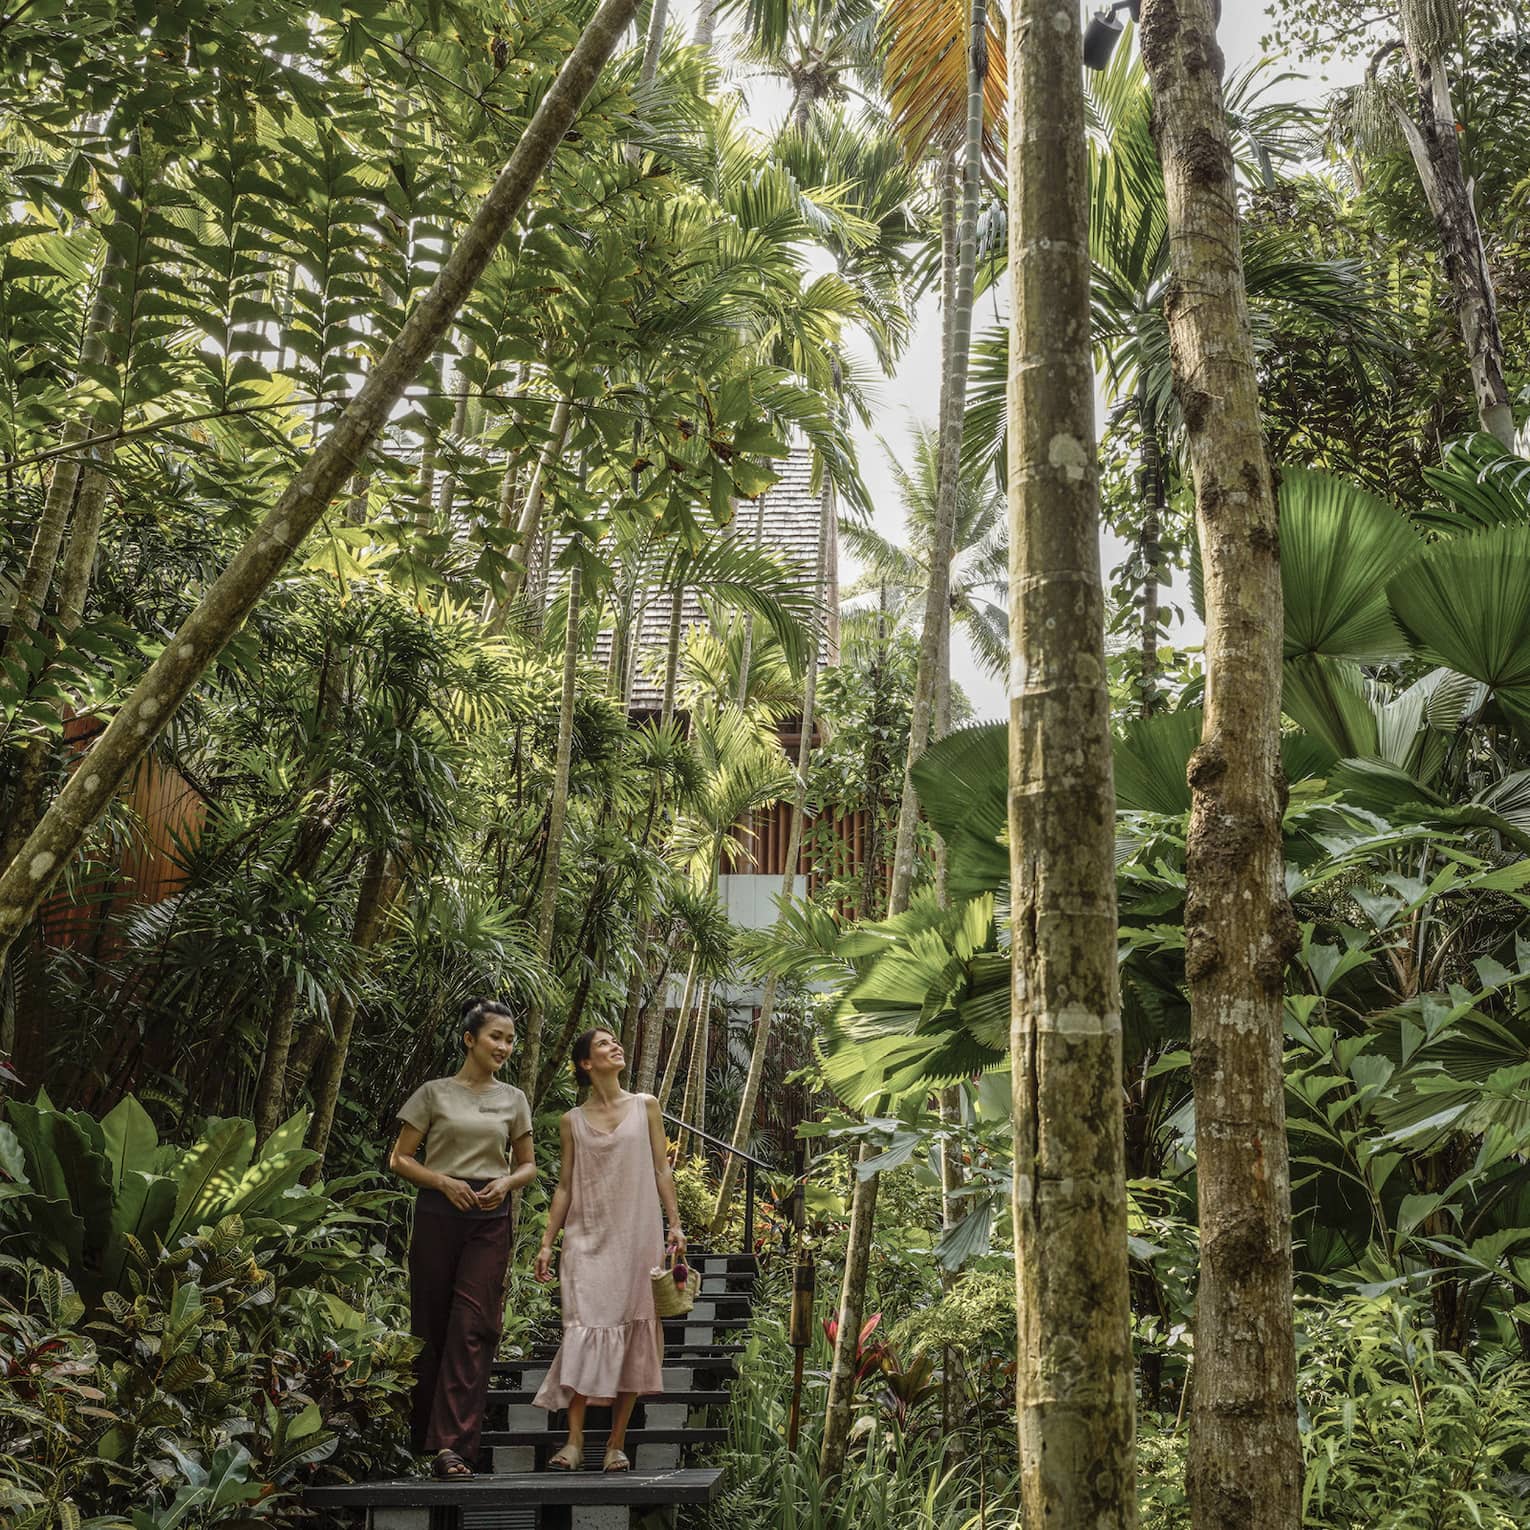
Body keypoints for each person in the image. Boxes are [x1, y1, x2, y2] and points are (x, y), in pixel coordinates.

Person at [388, 997, 536, 1480]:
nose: (505, 1047)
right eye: (496, 1036)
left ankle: (452, 1448)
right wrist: (443, 1182)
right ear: (470, 1039)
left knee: (472, 1325)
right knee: (430, 1321)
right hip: (438, 1208)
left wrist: (507, 1184)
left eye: (510, 1040)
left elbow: (528, 1164)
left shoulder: (514, 1099)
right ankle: (421, 1436)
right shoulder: (433, 1094)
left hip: (490, 1215)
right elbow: (401, 1159)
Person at [532, 1027, 686, 1473]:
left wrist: (674, 1223)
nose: (615, 1046)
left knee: (634, 1331)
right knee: (584, 1328)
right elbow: (563, 1186)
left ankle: (616, 1443)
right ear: (585, 1063)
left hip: (637, 1238)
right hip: (586, 1239)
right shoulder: (571, 1121)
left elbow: (661, 1169)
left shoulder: (646, 1106)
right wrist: (547, 1242)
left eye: (616, 1041)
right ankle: (575, 1441)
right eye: (603, 1044)